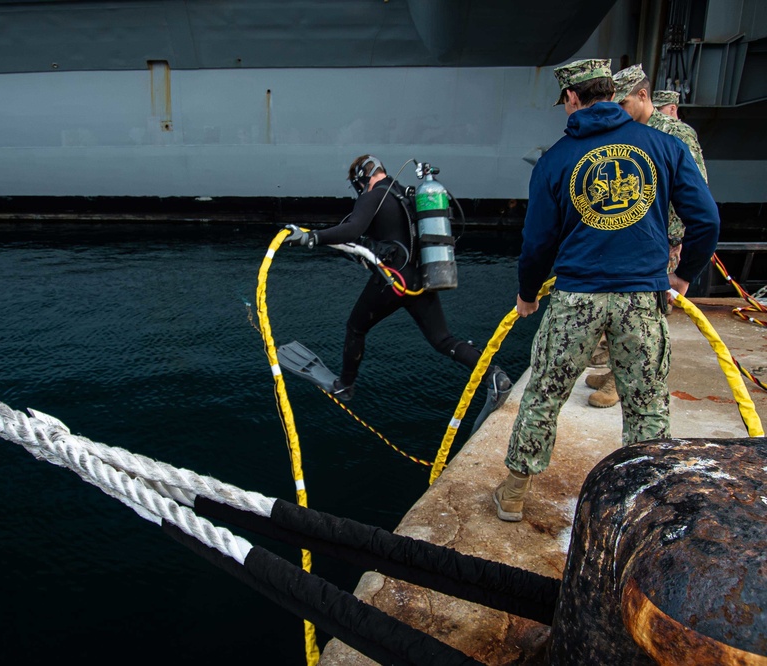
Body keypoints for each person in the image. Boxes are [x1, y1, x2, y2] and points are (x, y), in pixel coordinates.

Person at [493, 58, 719, 522]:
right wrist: (682, 275)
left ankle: (514, 492)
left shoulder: (555, 159)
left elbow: (537, 243)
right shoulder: (664, 146)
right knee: (646, 404)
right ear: (612, 94)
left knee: (545, 394)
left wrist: (527, 293)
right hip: (642, 298)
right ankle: (646, 502)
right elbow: (707, 220)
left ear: (572, 98)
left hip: (576, 298)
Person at [285, 155, 511, 407]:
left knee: (356, 327)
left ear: (362, 179)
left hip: (393, 280)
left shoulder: (373, 196)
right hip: (421, 277)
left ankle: (345, 385)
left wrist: (312, 237)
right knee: (443, 340)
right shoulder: (406, 194)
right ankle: (495, 376)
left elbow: (353, 229)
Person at [584, 64, 711, 408]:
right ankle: (613, 369)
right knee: (619, 306)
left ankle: (621, 382)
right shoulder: (627, 132)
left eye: (623, 103)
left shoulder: (674, 134)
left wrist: (679, 243)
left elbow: (696, 191)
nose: (618, 111)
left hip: (663, 239)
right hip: (630, 237)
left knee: (646, 315)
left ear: (643, 95)